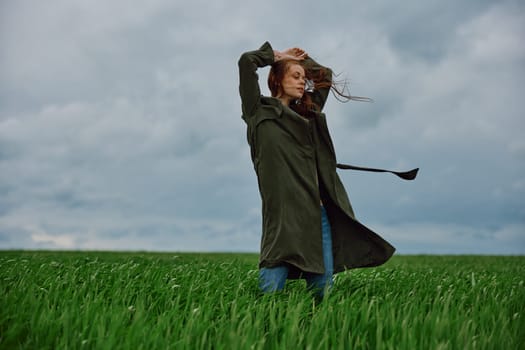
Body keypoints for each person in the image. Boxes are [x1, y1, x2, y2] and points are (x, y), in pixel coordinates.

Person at [238, 41, 396, 298]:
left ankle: (318, 333)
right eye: (296, 76)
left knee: (322, 294)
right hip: (281, 214)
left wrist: (303, 59)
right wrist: (280, 56)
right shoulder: (257, 111)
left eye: (304, 77)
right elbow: (246, 61)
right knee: (270, 294)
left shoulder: (308, 115)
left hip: (316, 212)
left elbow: (325, 76)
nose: (303, 82)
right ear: (277, 79)